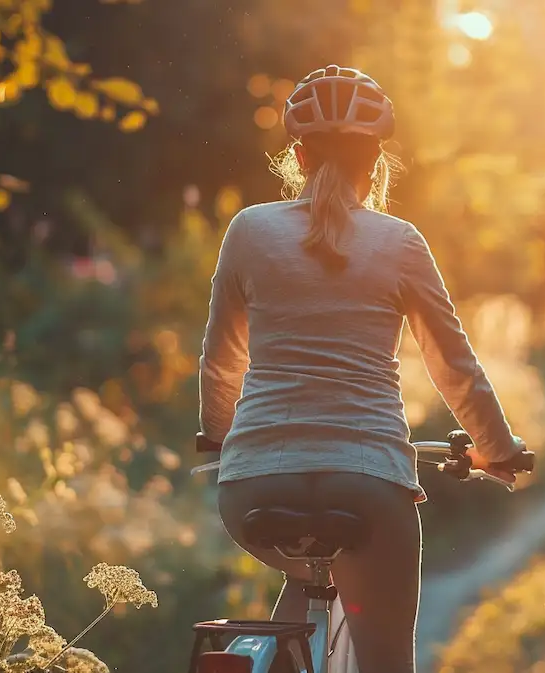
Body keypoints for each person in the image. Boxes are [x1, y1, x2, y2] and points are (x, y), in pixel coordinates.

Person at [199, 64, 526, 673]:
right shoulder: (399, 241)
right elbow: (453, 363)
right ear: (375, 161)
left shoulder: (248, 231)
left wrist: (219, 435)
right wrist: (495, 448)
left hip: (253, 487)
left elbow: (222, 362)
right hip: (368, 483)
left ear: (297, 154)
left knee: (303, 583)